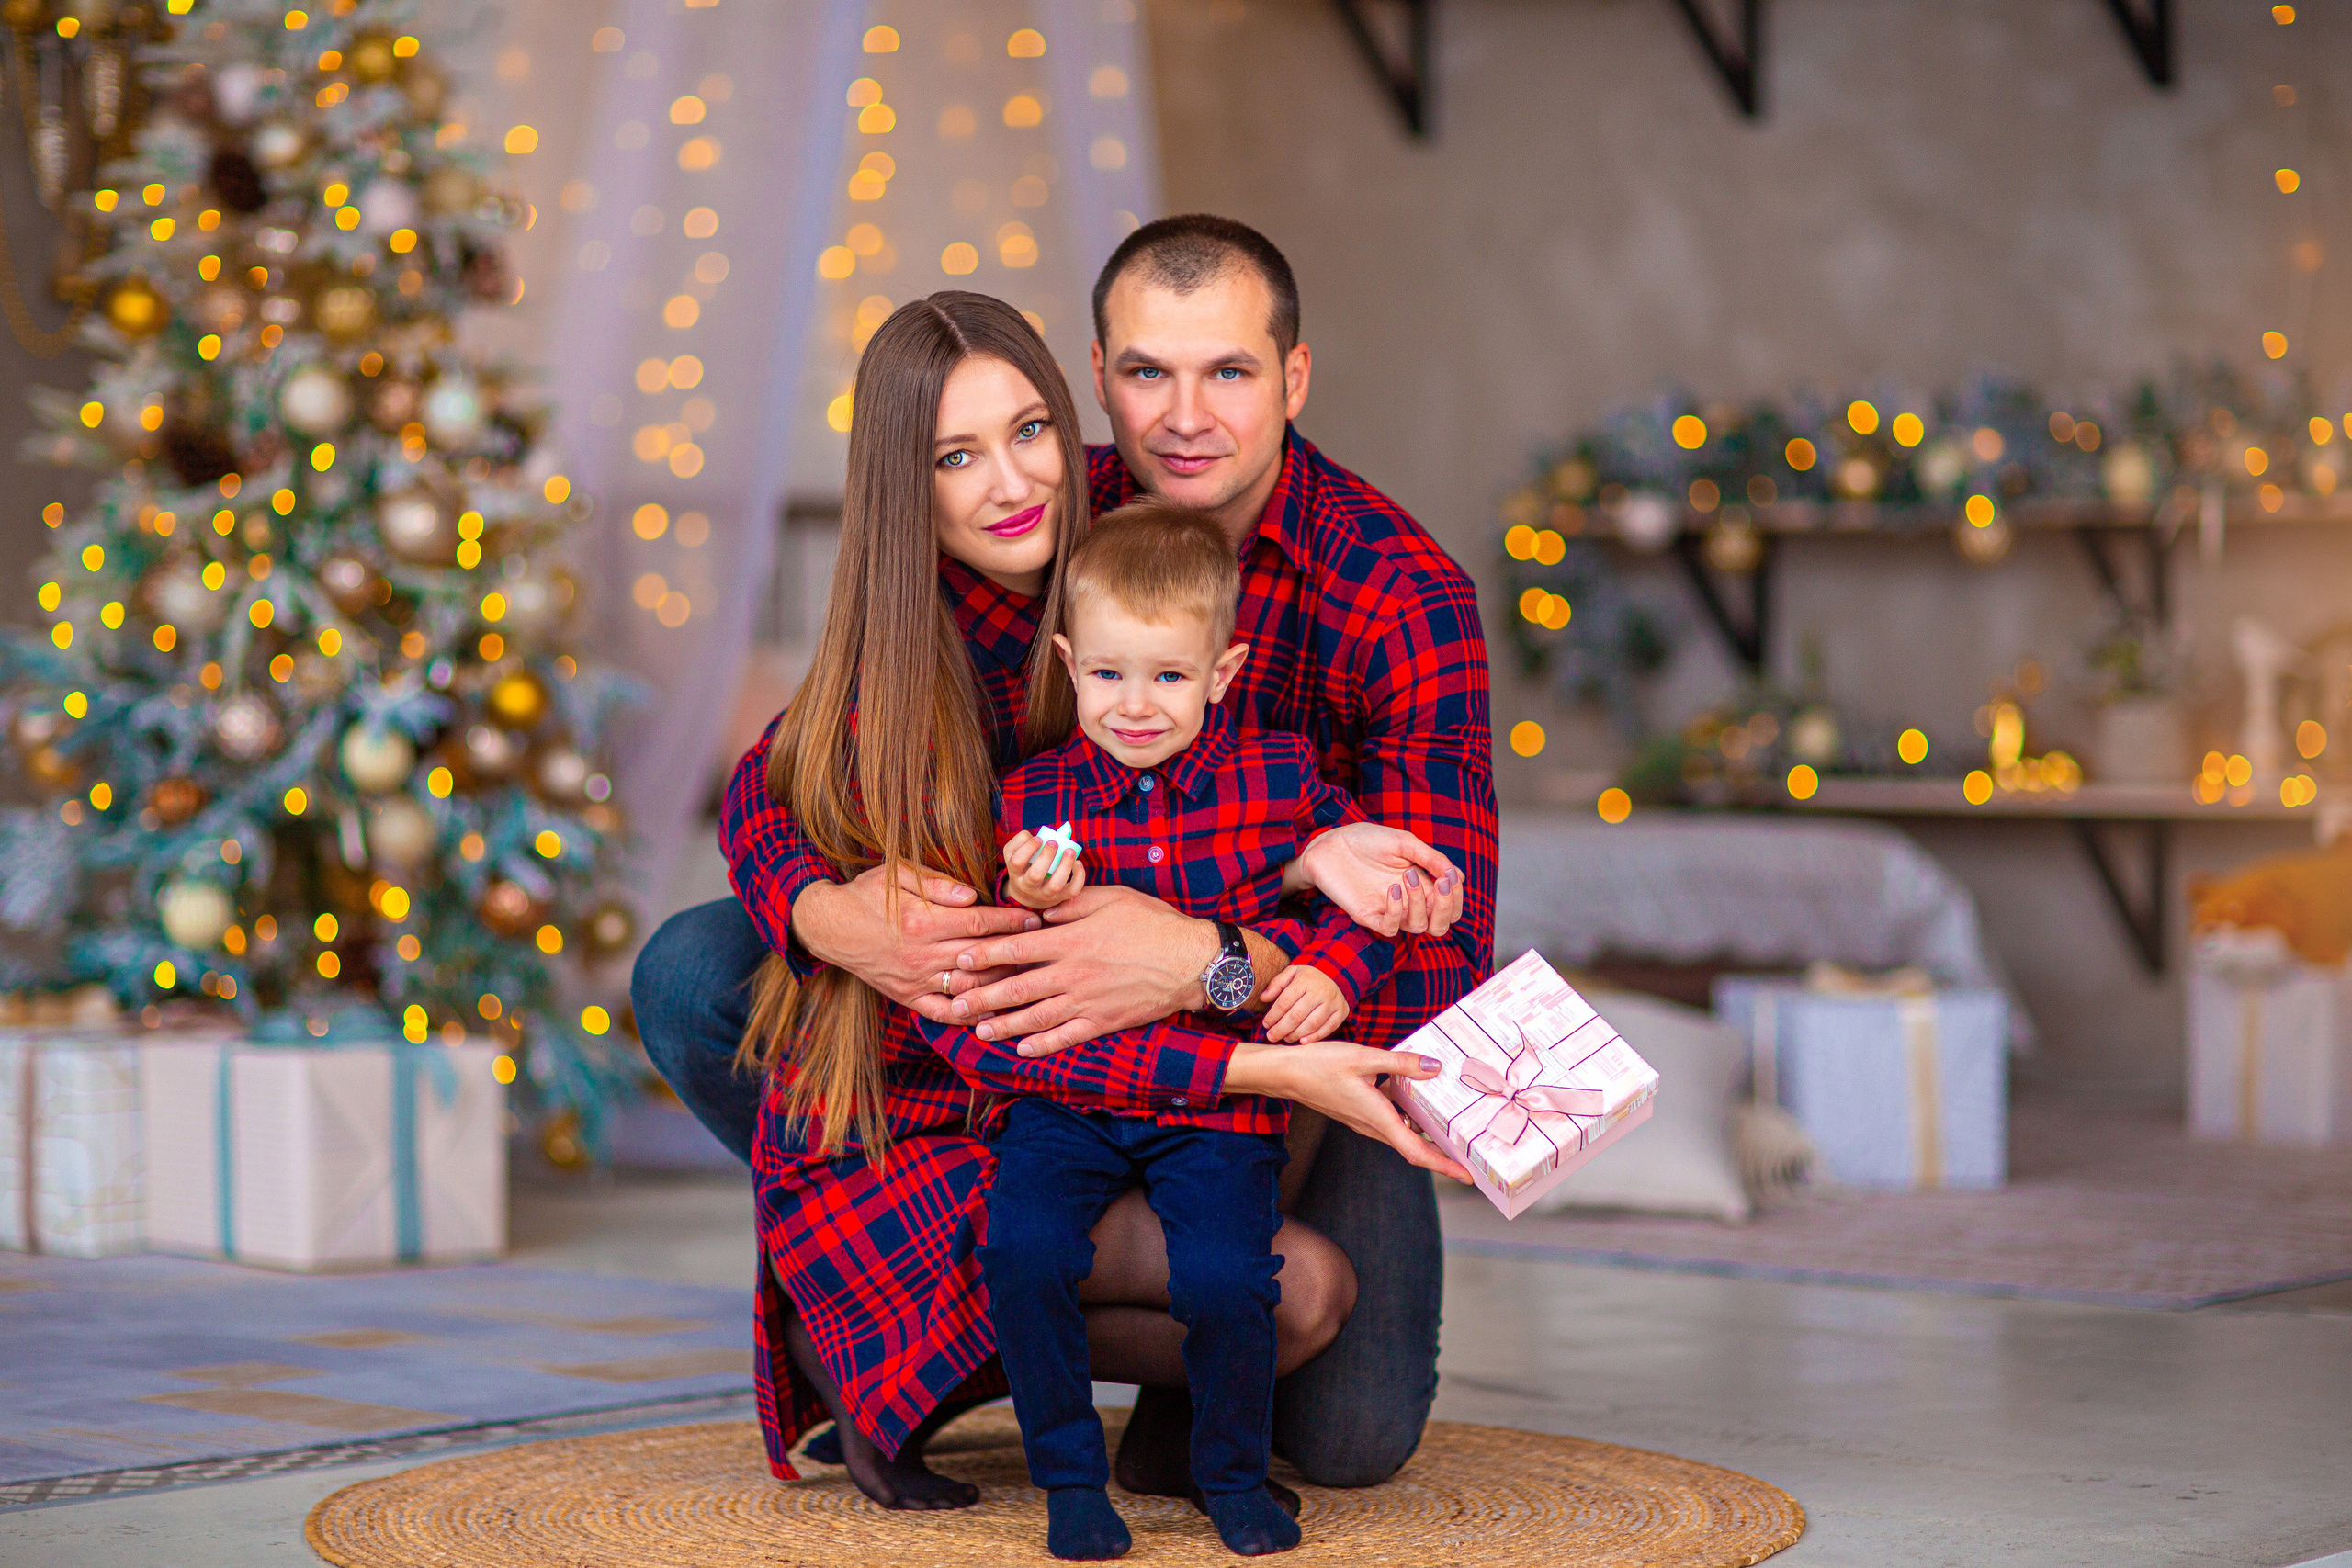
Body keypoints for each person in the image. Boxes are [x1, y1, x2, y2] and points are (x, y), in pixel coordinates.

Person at [633, 214, 1497, 1496]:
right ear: (1096, 375)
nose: (1186, 415)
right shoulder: (1036, 509)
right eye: (1149, 372)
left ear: (1295, 378)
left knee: (1351, 1428)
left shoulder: (1397, 592)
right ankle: (913, 1291)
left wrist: (1209, 960)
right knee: (703, 965)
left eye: (1232, 372)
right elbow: (781, 772)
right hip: (1041, 1033)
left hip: (1287, 1038)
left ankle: (1065, 1329)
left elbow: (1444, 961)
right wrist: (827, 912)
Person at [960, 503, 1463, 1560]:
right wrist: (1028, 887)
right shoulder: (1033, 796)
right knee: (1021, 1248)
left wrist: (1331, 967)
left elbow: (1370, 898)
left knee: (1231, 1278)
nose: (1135, 707)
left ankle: (1223, 1470)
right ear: (1067, 664)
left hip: (1217, 1108)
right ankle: (1068, 1480)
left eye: (1168, 677)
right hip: (1074, 1097)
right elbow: (1011, 953)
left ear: (1222, 673)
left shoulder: (1276, 782)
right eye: (1106, 676)